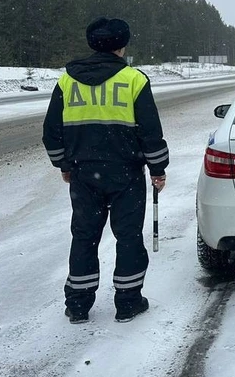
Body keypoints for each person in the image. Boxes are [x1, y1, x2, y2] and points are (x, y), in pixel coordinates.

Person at [42, 17, 169, 324]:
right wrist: (158, 169)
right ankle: (127, 302)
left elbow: (51, 133)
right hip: (125, 174)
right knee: (128, 238)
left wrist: (63, 165)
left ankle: (78, 305)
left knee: (84, 237)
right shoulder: (134, 80)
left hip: (83, 174)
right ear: (122, 46)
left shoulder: (67, 81)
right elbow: (149, 132)